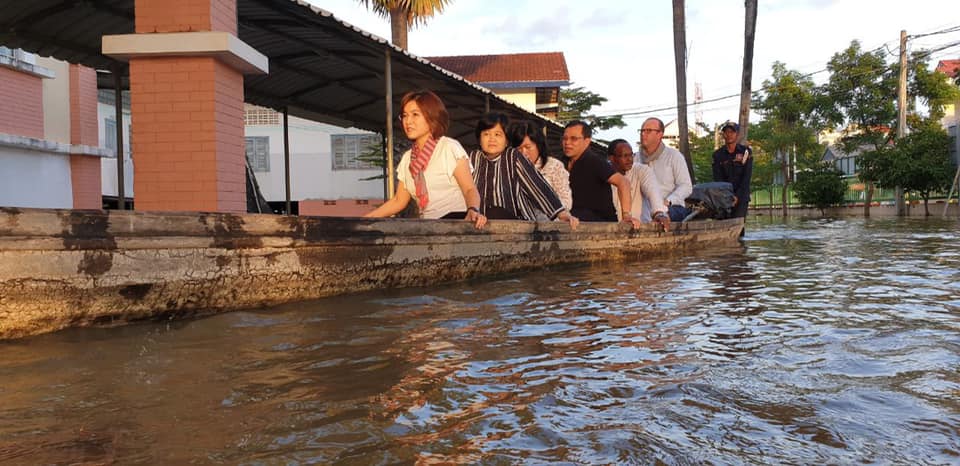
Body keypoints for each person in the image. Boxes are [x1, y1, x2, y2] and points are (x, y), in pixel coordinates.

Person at [365, 90, 486, 229]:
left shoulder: (448, 147)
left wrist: (473, 209)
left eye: (415, 114)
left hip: (454, 223)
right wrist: (365, 219)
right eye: (404, 116)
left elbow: (469, 189)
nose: (408, 121)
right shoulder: (407, 159)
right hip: (428, 227)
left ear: (432, 117)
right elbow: (398, 201)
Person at [469, 113, 579, 228]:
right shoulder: (473, 158)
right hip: (481, 222)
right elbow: (466, 189)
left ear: (506, 141)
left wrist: (561, 213)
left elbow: (536, 185)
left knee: (494, 212)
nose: (492, 139)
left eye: (497, 134)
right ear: (479, 140)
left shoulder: (514, 157)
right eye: (486, 134)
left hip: (517, 222)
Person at [562, 121, 640, 228]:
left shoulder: (594, 161)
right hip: (572, 222)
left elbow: (623, 182)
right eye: (565, 138)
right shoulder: (560, 163)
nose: (567, 142)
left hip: (600, 224)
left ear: (587, 141)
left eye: (574, 139)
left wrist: (626, 215)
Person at [508, 120, 573, 212]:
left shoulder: (554, 166)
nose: (523, 153)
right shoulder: (509, 167)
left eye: (528, 147)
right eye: (519, 149)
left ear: (539, 145)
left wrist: (546, 205)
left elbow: (567, 202)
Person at [637, 117, 694, 222]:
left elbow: (686, 186)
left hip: (671, 207)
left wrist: (668, 201)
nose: (643, 134)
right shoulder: (635, 159)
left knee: (663, 216)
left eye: (648, 131)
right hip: (643, 209)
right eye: (642, 131)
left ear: (660, 134)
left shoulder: (674, 156)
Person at [607, 139, 670, 230]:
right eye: (624, 156)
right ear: (611, 158)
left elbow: (653, 192)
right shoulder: (602, 173)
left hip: (640, 228)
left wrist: (659, 212)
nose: (630, 159)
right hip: (610, 229)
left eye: (631, 155)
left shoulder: (642, 170)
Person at [712, 121, 753, 220]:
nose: (729, 135)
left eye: (732, 132)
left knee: (738, 223)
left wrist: (737, 196)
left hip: (741, 196)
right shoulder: (717, 155)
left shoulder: (745, 152)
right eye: (726, 132)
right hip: (724, 196)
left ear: (737, 134)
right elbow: (718, 178)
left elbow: (746, 177)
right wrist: (728, 196)